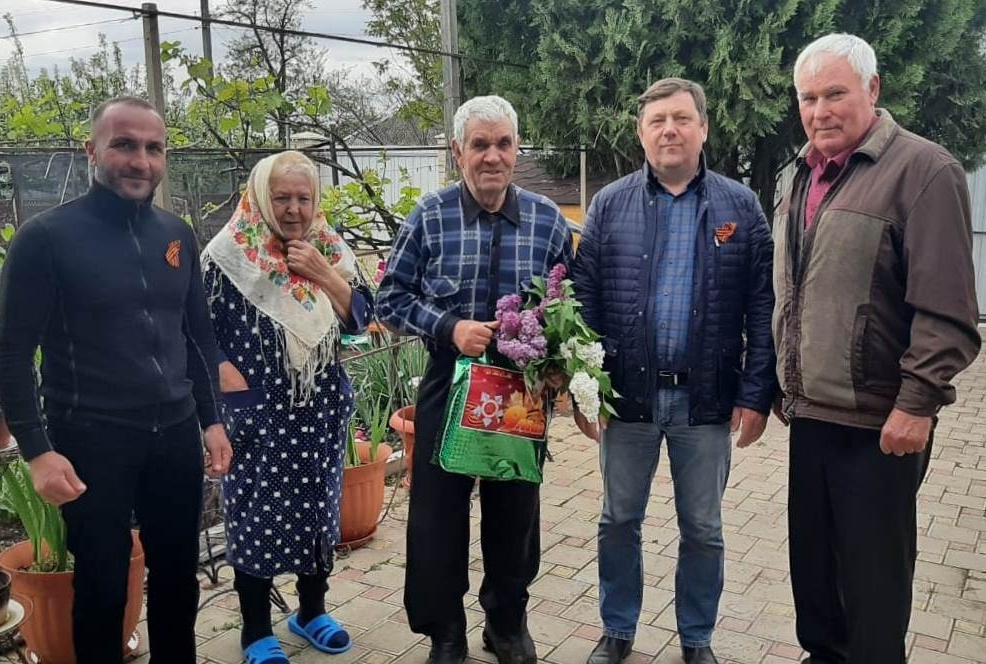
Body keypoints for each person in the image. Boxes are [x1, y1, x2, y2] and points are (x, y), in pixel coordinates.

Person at [0, 96, 231, 663]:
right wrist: (37, 451)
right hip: (91, 438)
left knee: (178, 576)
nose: (140, 160)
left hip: (173, 434)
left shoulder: (176, 233)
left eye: (153, 148)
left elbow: (197, 336)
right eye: (124, 144)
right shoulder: (46, 238)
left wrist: (212, 418)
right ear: (92, 150)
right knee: (100, 586)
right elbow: (10, 353)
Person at [772, 33, 980, 663]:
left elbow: (948, 311)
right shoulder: (796, 175)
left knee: (873, 585)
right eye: (808, 98)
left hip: (880, 424)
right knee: (814, 577)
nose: (820, 111)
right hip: (809, 416)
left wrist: (917, 403)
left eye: (835, 93)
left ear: (873, 89)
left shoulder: (924, 171)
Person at [572, 78, 776, 664]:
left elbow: (763, 309)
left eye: (681, 118)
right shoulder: (610, 204)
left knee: (704, 531)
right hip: (627, 399)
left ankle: (697, 639)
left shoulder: (742, 208)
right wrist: (588, 393)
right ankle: (617, 629)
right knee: (617, 521)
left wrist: (757, 393)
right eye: (657, 119)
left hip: (706, 402)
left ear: (703, 128)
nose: (669, 129)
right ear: (641, 132)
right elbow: (584, 302)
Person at [376, 95, 573, 664]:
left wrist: (559, 366)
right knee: (438, 511)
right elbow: (391, 295)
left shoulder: (547, 219)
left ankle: (506, 623)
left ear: (517, 149)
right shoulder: (429, 216)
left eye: (503, 144)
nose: (492, 156)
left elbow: (569, 302)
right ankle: (445, 631)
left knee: (515, 511)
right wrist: (449, 325)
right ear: (457, 151)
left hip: (520, 388)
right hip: (449, 378)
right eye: (480, 145)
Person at [201, 150, 374, 664]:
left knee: (318, 512)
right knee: (255, 515)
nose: (294, 209)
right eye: (282, 197)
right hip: (255, 416)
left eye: (303, 197)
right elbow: (196, 331)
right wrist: (224, 373)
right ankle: (255, 629)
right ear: (260, 197)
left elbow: (361, 319)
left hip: (318, 411)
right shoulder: (227, 253)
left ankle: (311, 611)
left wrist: (327, 275)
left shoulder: (325, 247)